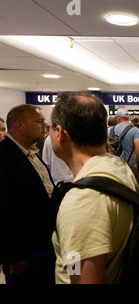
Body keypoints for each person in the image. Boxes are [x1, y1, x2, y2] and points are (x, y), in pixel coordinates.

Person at [50, 92, 139, 284]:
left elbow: (82, 276)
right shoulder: (119, 168)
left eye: (50, 128)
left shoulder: (83, 199)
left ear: (60, 133)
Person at [0, 104, 55, 284]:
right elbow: (4, 209)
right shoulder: (4, 157)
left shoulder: (32, 153)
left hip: (43, 247)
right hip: (24, 254)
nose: (44, 126)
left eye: (45, 122)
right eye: (39, 121)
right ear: (20, 125)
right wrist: (13, 254)